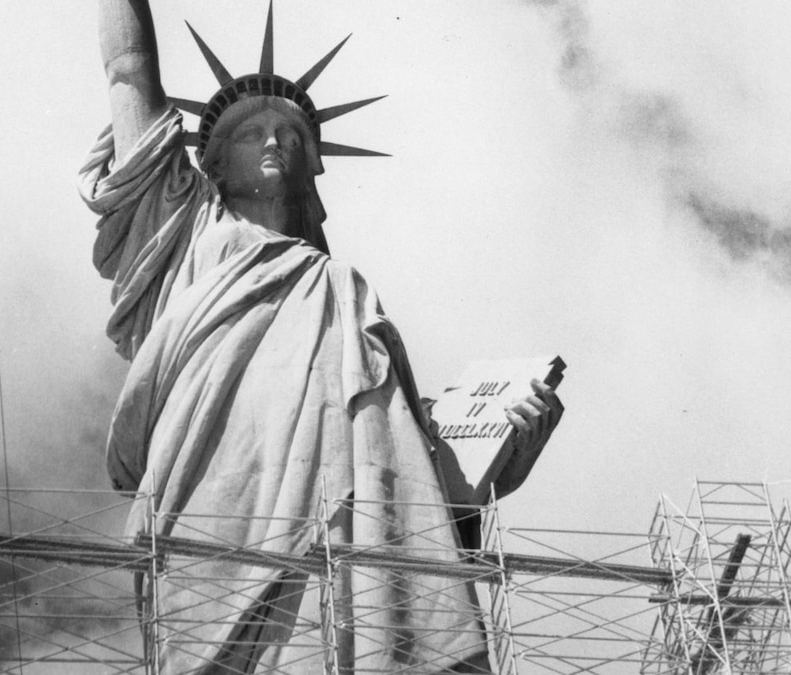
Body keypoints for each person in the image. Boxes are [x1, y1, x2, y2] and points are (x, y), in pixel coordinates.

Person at [80, 2, 562, 672]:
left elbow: (412, 483)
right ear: (215, 163)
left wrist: (501, 458)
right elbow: (129, 68)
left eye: (290, 134)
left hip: (352, 556)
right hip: (218, 503)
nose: (275, 141)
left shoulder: (347, 291)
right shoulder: (186, 235)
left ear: (311, 164)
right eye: (254, 133)